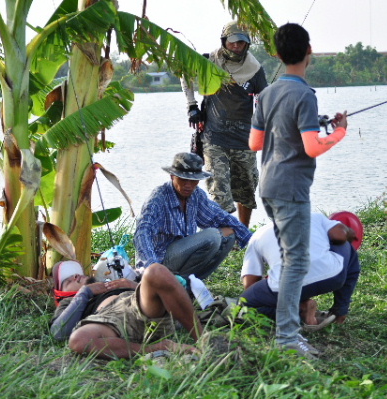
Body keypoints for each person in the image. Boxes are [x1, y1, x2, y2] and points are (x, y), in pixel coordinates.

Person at [248, 23, 348, 357]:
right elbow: (311, 148)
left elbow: (255, 142)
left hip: (267, 186)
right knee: (296, 263)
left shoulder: (266, 94)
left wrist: (314, 124)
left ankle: (290, 330)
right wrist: (339, 132)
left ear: (276, 54)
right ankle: (288, 339)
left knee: (293, 259)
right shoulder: (304, 94)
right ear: (309, 51)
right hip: (291, 189)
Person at [181, 21, 268, 227]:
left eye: (241, 42)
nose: (236, 46)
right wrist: (192, 106)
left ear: (247, 44)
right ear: (224, 42)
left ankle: (243, 232)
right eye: (232, 42)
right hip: (214, 137)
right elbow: (184, 74)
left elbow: (265, 97)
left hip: (244, 139)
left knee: (246, 189)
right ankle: (222, 238)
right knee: (218, 189)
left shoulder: (254, 69)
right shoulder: (209, 61)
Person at [134, 152, 252, 280]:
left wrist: (254, 242)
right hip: (162, 259)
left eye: (193, 180)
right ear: (172, 176)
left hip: (184, 254)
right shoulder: (158, 198)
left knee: (229, 235)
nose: (188, 185)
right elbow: (142, 233)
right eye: (183, 179)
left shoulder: (196, 195)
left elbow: (220, 217)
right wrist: (152, 267)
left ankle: (189, 283)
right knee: (212, 236)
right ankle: (169, 281)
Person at [50, 260, 202, 359]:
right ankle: (158, 348)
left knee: (156, 271)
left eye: (78, 275)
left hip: (138, 305)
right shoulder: (70, 302)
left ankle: (204, 341)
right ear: (62, 294)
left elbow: (166, 290)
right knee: (79, 340)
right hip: (109, 322)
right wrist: (85, 292)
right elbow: (58, 333)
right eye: (69, 281)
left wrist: (134, 286)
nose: (76, 276)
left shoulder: (116, 284)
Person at [240, 213, 361, 330]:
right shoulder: (315, 217)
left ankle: (300, 310)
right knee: (346, 246)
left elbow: (250, 284)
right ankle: (340, 312)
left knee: (243, 307)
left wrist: (268, 290)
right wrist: (349, 233)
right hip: (332, 276)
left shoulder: (257, 235)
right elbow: (339, 235)